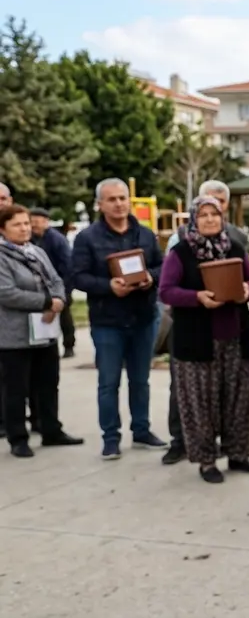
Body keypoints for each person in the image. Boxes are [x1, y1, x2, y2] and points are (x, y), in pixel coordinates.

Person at [159, 197, 249, 484]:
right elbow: (166, 291)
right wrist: (197, 298)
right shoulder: (181, 252)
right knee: (201, 405)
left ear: (222, 217)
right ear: (193, 219)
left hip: (235, 338)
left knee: (238, 400)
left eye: (214, 214)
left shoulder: (235, 248)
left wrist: (246, 289)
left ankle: (238, 455)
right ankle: (206, 461)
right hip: (196, 342)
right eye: (202, 215)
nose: (209, 219)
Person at [72, 178, 167, 460]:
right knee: (108, 382)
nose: (119, 204)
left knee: (141, 380)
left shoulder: (146, 234)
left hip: (143, 318)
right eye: (112, 199)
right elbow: (77, 276)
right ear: (100, 204)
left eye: (123, 198)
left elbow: (162, 266)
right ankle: (110, 437)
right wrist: (108, 286)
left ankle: (141, 430)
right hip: (107, 321)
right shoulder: (87, 238)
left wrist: (151, 278)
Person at [0, 204, 82, 456]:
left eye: (26, 223)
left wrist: (58, 301)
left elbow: (56, 279)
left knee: (48, 383)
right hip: (14, 335)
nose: (25, 228)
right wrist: (45, 302)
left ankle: (51, 430)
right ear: (3, 229)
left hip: (44, 331)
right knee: (16, 389)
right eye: (17, 224)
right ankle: (18, 438)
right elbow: (7, 293)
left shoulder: (36, 251)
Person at [29, 208, 75, 359]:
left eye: (37, 221)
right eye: (32, 221)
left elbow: (68, 266)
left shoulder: (57, 239)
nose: (34, 225)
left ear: (46, 222)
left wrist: (64, 290)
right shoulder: (30, 239)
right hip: (39, 287)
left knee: (64, 315)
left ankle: (69, 345)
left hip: (60, 283)